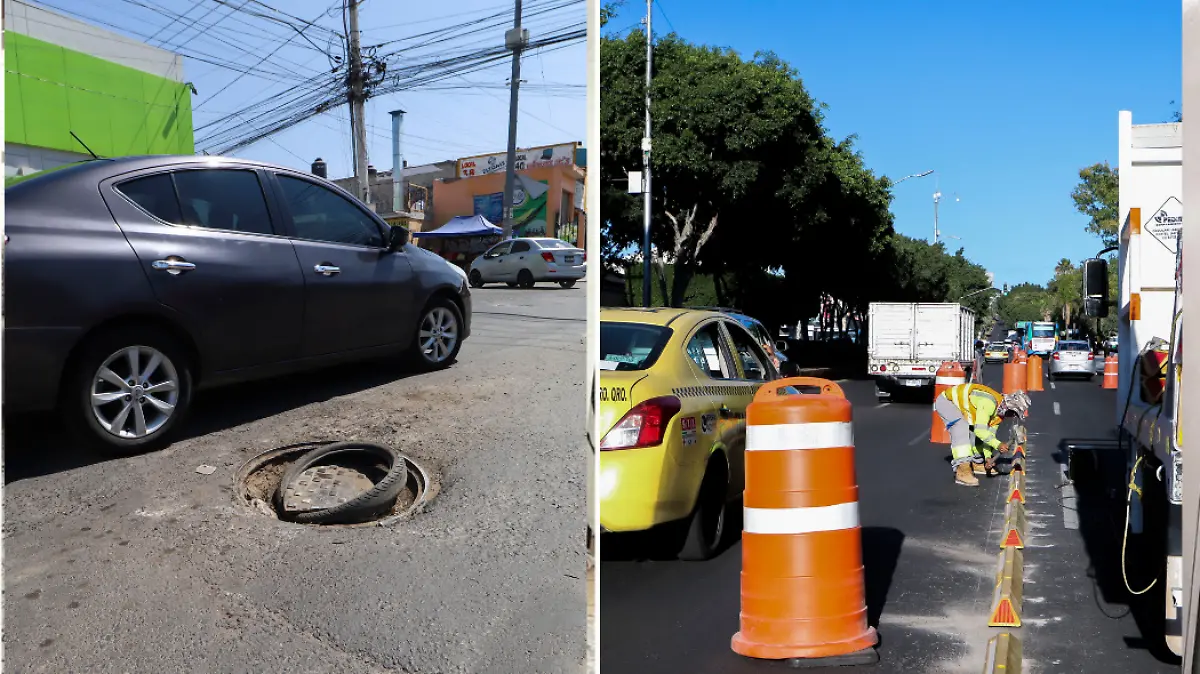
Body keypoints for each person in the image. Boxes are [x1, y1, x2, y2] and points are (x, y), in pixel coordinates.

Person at [933, 383, 1031, 487]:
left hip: (962, 407)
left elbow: (988, 436)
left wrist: (988, 457)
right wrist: (998, 445)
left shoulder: (998, 415)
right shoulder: (989, 403)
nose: (1012, 417)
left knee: (975, 430)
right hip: (947, 402)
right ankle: (962, 469)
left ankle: (977, 462)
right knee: (960, 427)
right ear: (1008, 407)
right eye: (1013, 413)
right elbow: (980, 431)